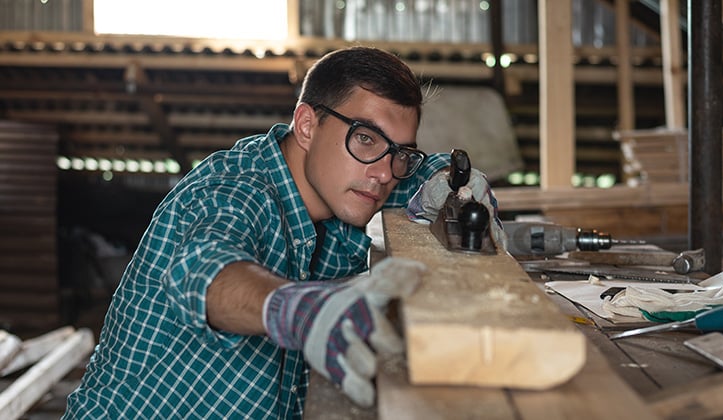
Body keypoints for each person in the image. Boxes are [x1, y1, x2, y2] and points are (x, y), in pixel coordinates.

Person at [64, 46, 503, 419]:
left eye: (400, 152)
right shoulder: (235, 190)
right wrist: (300, 312)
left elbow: (421, 172)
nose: (384, 173)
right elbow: (205, 272)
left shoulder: (351, 184)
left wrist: (446, 179)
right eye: (366, 138)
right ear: (308, 125)